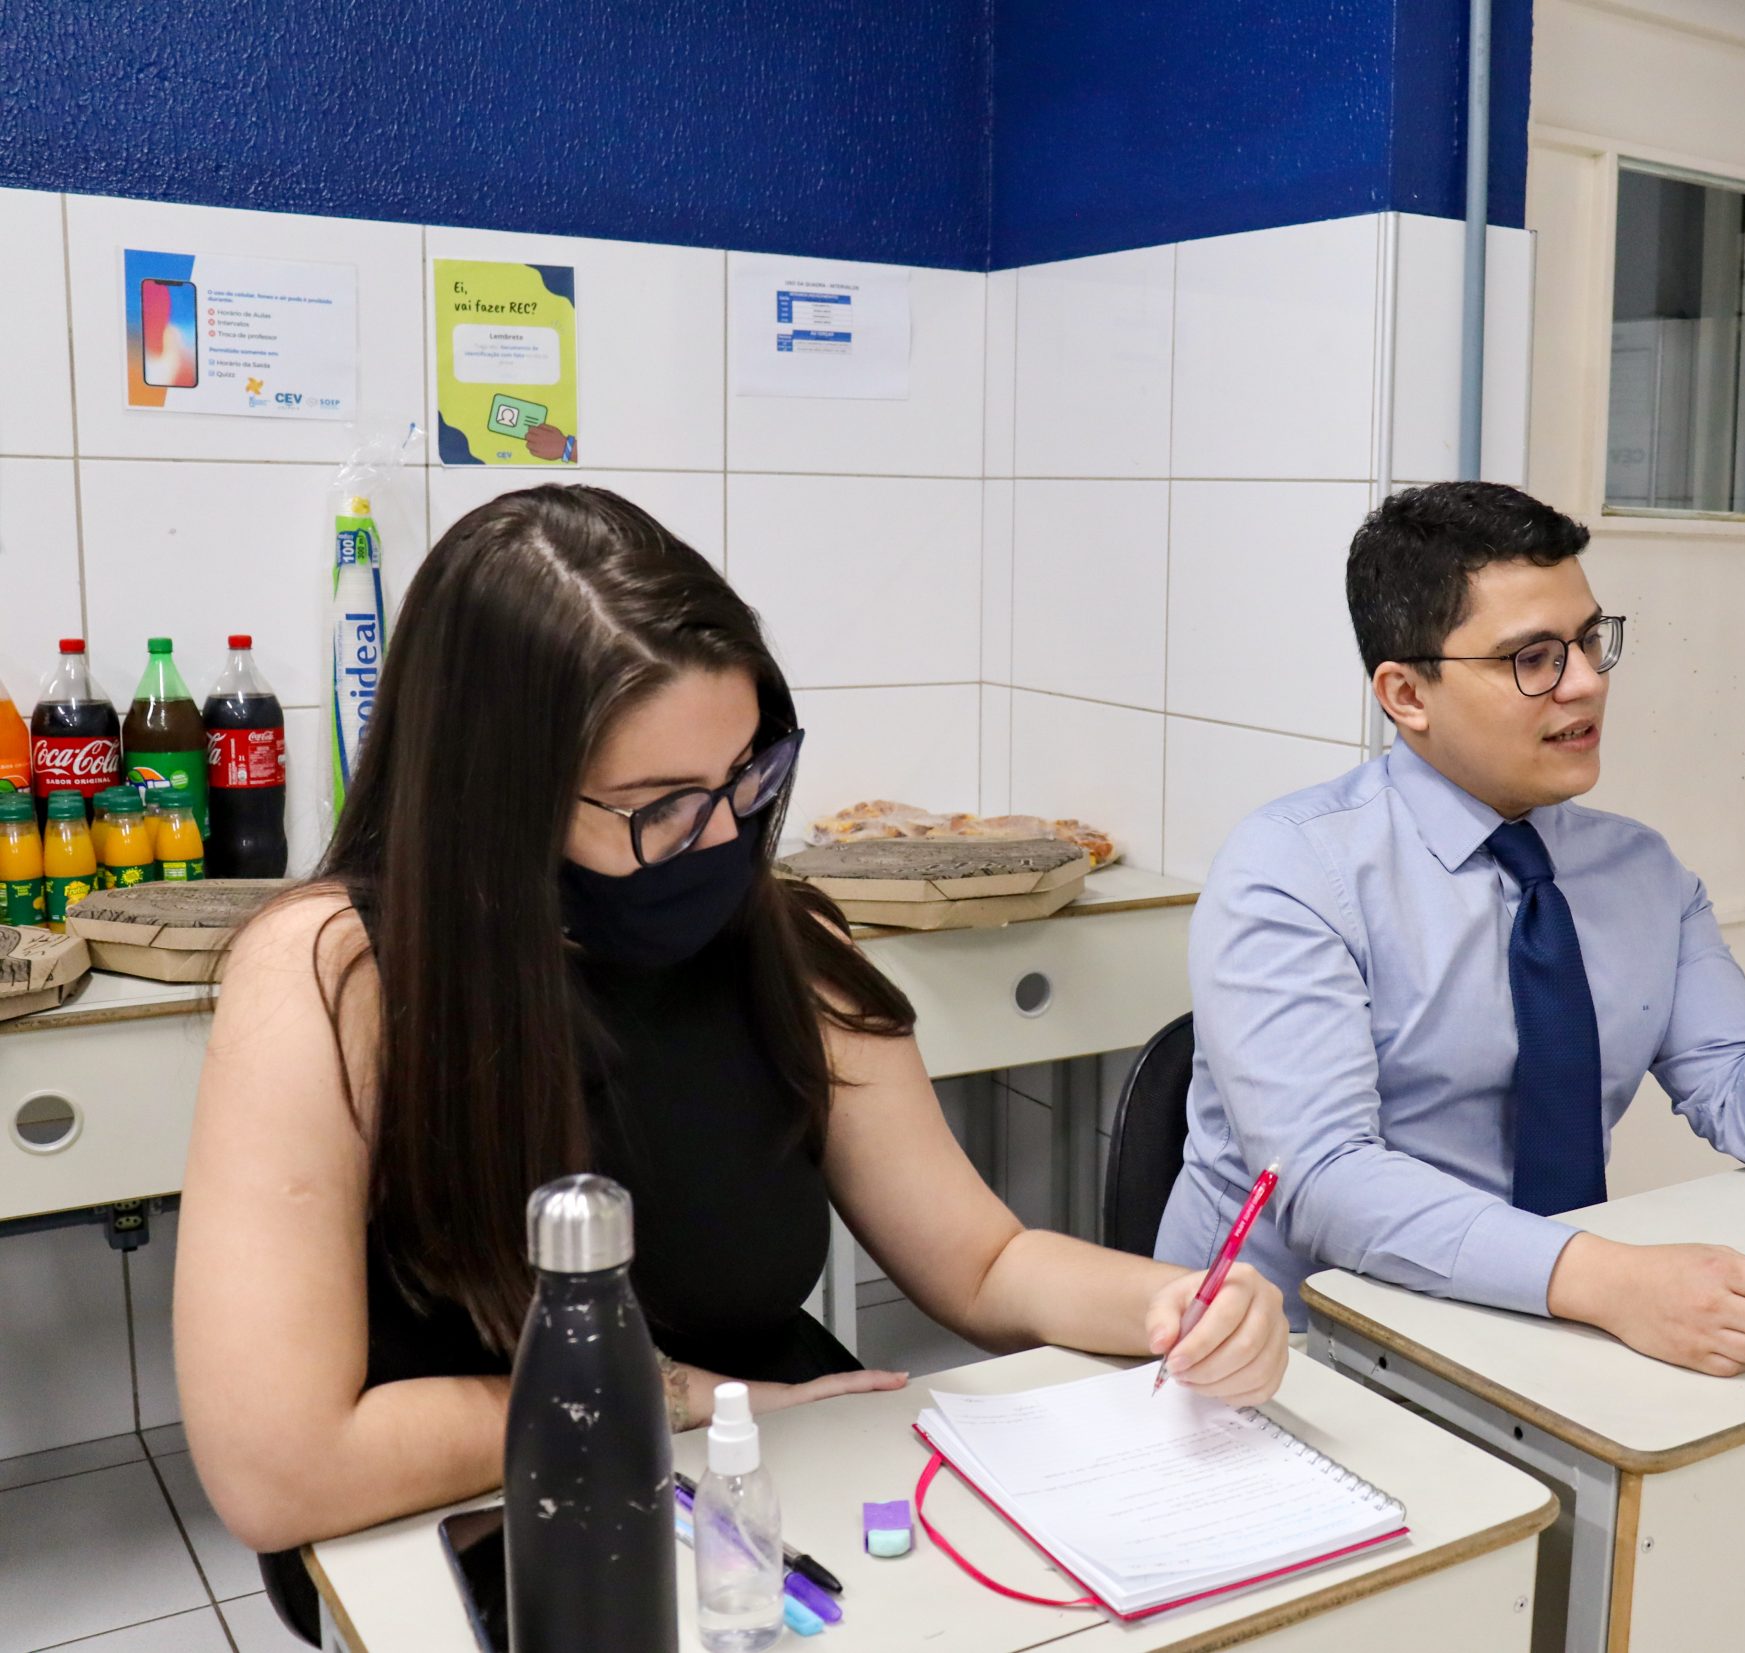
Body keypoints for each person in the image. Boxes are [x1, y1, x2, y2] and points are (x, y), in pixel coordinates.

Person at [175, 487, 1287, 1638]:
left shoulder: (785, 941)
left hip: (772, 1460)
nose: (720, 839)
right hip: (483, 1508)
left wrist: (1172, 1303)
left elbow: (982, 1260)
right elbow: (280, 1472)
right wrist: (692, 1402)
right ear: (492, 797)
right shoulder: (334, 976)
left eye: (746, 778)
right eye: (660, 806)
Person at [1157, 482, 1745, 1378]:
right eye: (1532, 658)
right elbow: (1327, 1184)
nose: (1586, 682)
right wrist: (1617, 1282)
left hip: (1535, 1329)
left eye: (1589, 641)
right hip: (1284, 1355)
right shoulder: (1292, 869)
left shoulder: (1638, 872)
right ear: (1407, 693)